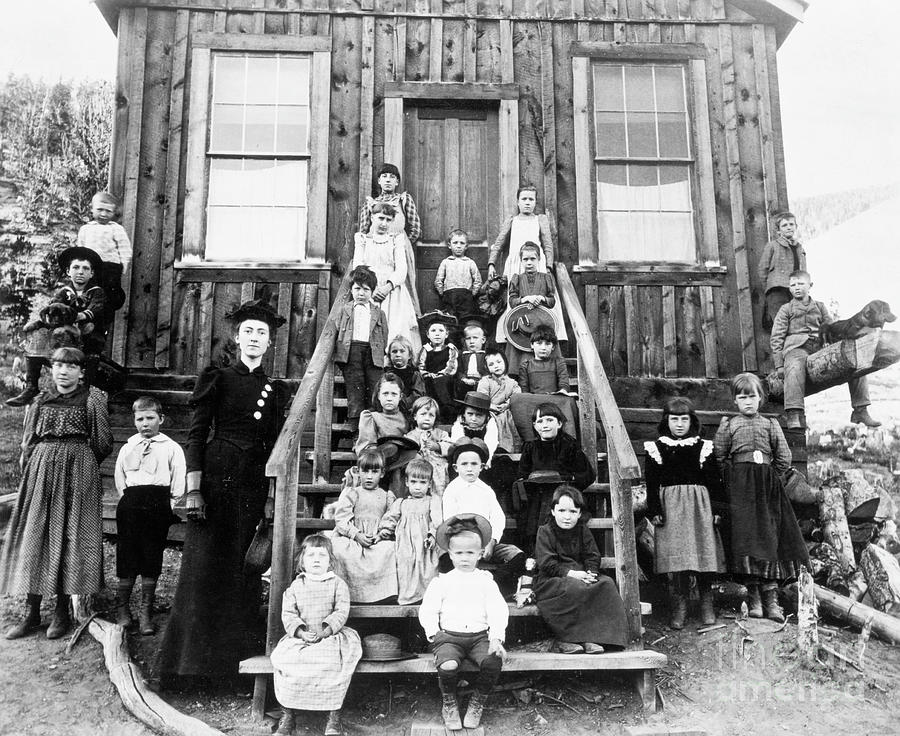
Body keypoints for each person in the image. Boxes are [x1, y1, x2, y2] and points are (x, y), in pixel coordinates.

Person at [154, 300, 289, 688]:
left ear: (269, 343)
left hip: (250, 487)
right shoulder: (218, 377)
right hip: (215, 482)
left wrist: (268, 496)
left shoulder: (273, 389)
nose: (254, 338)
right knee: (203, 570)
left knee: (240, 571)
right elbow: (197, 434)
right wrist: (193, 490)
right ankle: (186, 672)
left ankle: (234, 672)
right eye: (248, 331)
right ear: (237, 336)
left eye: (261, 333)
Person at [1, 347, 113, 640]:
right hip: (40, 470)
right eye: (58, 365)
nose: (64, 371)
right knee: (36, 534)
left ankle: (62, 611)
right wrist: (35, 467)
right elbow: (28, 441)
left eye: (71, 366)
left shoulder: (93, 399)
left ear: (81, 371)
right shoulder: (39, 400)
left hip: (77, 471)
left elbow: (102, 442)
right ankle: (32, 612)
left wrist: (81, 464)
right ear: (50, 369)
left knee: (69, 536)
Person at [713, 373, 809, 622]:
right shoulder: (729, 425)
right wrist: (734, 480)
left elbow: (784, 456)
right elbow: (720, 457)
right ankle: (753, 597)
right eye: (742, 397)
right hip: (741, 490)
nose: (747, 402)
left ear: (761, 399)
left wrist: (771, 478)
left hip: (766, 488)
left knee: (768, 537)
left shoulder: (770, 424)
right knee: (747, 538)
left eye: (752, 396)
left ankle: (772, 600)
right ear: (735, 400)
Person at [418, 513, 508, 730]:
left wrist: (496, 637)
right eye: (459, 553)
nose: (464, 558)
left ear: (480, 554)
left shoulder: (485, 581)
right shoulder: (443, 581)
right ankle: (449, 700)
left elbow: (498, 610)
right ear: (450, 554)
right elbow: (428, 610)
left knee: (493, 660)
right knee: (448, 665)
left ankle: (478, 701)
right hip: (450, 637)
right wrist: (434, 634)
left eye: (470, 553)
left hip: (479, 637)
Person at [643, 397, 725, 629]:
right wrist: (655, 510)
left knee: (702, 553)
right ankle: (680, 605)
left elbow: (715, 482)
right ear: (666, 421)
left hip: (699, 508)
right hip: (671, 510)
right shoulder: (656, 448)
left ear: (692, 421)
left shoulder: (703, 447)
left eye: (684, 419)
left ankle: (706, 603)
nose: (679, 424)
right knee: (676, 557)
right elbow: (651, 483)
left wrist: (717, 510)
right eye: (674, 419)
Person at [270, 533, 362, 736]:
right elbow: (289, 613)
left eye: (322, 555)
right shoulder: (296, 585)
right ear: (302, 561)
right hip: (302, 638)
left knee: (332, 663)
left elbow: (341, 610)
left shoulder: (337, 584)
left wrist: (328, 629)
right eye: (311, 555)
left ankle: (333, 717)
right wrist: (301, 632)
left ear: (330, 561)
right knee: (287, 661)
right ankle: (288, 715)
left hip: (330, 636)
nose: (317, 560)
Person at [113, 396, 186, 635]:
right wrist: (128, 500)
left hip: (158, 505)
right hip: (131, 505)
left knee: (151, 554)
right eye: (140, 419)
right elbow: (120, 477)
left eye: (150, 418)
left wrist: (170, 504)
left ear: (161, 419)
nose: (145, 423)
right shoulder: (128, 447)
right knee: (127, 552)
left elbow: (178, 477)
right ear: (134, 420)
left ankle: (146, 613)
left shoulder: (171, 448)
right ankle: (123, 609)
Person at [770, 270, 878, 429]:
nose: (797, 288)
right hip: (797, 347)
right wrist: (779, 364)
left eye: (801, 284)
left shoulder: (819, 306)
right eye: (793, 285)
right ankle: (794, 413)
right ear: (789, 288)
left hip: (819, 345)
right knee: (794, 365)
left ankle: (860, 409)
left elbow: (831, 327)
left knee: (854, 359)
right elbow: (776, 337)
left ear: (810, 286)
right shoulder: (785, 309)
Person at [7, 246, 109, 407]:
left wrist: (78, 315)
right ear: (68, 271)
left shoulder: (96, 292)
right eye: (75, 267)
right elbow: (53, 307)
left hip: (89, 335)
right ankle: (31, 386)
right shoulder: (64, 291)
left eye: (85, 268)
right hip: (64, 336)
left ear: (92, 273)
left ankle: (82, 392)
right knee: (38, 338)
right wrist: (41, 321)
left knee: (85, 337)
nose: (80, 272)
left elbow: (95, 309)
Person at [533, 486, 628, 653]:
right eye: (561, 510)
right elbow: (547, 563)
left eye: (572, 511)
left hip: (582, 574)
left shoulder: (582, 530)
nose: (567, 516)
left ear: (579, 513)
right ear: (553, 511)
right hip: (552, 579)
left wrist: (591, 573)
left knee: (606, 584)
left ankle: (594, 639)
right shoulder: (545, 531)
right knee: (574, 588)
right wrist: (572, 574)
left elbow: (592, 555)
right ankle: (567, 640)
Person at [441, 439, 526, 595]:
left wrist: (492, 542)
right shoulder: (452, 491)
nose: (469, 469)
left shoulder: (486, 490)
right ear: (456, 467)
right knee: (447, 560)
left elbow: (497, 518)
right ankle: (466, 589)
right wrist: (471, 544)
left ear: (482, 467)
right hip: (463, 544)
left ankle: (493, 584)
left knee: (517, 556)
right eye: (464, 464)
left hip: (486, 543)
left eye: (474, 464)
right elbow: (450, 521)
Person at [488, 185, 567, 348]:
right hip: (516, 264)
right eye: (524, 199)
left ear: (535, 202)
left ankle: (544, 332)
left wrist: (548, 267)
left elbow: (548, 244)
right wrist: (491, 263)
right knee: (515, 296)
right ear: (518, 202)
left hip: (537, 263)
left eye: (531, 199)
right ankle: (513, 334)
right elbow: (499, 243)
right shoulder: (512, 220)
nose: (527, 202)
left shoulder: (540, 219)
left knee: (540, 297)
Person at [516, 402, 595, 548]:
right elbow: (522, 474)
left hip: (564, 494)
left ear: (559, 423)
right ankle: (535, 552)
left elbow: (587, 475)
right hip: (538, 496)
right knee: (530, 514)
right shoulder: (530, 447)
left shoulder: (570, 445)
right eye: (540, 421)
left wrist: (566, 480)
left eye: (549, 420)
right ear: (535, 426)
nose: (545, 425)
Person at [330, 447, 399, 603]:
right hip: (353, 538)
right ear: (358, 471)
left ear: (382, 473)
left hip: (376, 540)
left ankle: (383, 596)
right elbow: (341, 519)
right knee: (339, 548)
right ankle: (346, 594)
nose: (369, 476)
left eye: (374, 472)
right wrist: (356, 534)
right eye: (365, 471)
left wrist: (380, 535)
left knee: (390, 550)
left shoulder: (386, 496)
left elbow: (390, 519)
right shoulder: (352, 493)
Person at [353, 200, 421, 354]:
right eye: (380, 218)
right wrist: (373, 288)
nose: (384, 223)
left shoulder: (396, 240)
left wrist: (387, 287)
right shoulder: (363, 239)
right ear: (372, 218)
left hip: (392, 292)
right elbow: (358, 266)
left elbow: (401, 270)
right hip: (369, 290)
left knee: (395, 329)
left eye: (388, 220)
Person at [359, 163, 423, 314]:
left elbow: (415, 227)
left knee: (402, 285)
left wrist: (403, 242)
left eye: (392, 177)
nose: (388, 180)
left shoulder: (403, 200)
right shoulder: (370, 203)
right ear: (379, 181)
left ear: (397, 182)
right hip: (375, 250)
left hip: (400, 248)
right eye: (384, 176)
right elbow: (363, 230)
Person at [331, 265, 389, 432]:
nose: (361, 293)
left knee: (374, 389)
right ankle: (356, 430)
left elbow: (384, 334)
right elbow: (337, 329)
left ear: (372, 291)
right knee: (355, 390)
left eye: (366, 289)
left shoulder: (378, 313)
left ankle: (374, 429)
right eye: (357, 289)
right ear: (351, 289)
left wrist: (380, 353)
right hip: (352, 352)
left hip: (373, 353)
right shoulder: (345, 310)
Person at [379, 458, 443, 604]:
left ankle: (426, 597)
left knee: (427, 567)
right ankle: (407, 597)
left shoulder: (432, 501)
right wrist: (384, 530)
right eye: (414, 482)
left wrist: (433, 534)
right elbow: (390, 518)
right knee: (404, 563)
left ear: (429, 484)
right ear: (407, 482)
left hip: (424, 543)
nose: (418, 487)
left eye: (423, 482)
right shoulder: (401, 503)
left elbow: (437, 520)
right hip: (405, 544)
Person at [504, 242, 562, 376]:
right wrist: (524, 299)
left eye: (532, 259)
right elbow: (512, 301)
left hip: (542, 322)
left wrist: (541, 298)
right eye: (525, 259)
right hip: (523, 324)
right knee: (521, 352)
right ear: (521, 260)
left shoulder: (546, 278)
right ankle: (521, 379)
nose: (529, 262)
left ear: (539, 259)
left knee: (542, 345)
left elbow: (552, 301)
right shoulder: (517, 279)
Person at [77, 190, 132, 310]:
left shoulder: (116, 229)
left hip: (110, 267)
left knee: (109, 294)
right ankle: (89, 316)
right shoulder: (86, 229)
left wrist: (124, 265)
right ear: (92, 209)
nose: (103, 214)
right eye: (100, 209)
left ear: (113, 213)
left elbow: (124, 248)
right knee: (90, 292)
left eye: (108, 211)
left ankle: (106, 317)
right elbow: (80, 249)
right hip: (91, 267)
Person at [757, 211, 805, 329]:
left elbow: (803, 271)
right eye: (784, 225)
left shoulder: (799, 248)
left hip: (794, 291)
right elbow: (762, 269)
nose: (788, 227)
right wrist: (770, 288)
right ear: (778, 231)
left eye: (791, 224)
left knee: (797, 324)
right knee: (781, 324)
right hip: (777, 291)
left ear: (796, 227)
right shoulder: (773, 246)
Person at [416, 310, 459, 422]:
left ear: (446, 334)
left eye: (441, 330)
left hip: (446, 379)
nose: (437, 333)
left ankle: (447, 414)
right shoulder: (426, 349)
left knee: (443, 385)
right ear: (428, 335)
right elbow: (421, 365)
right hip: (429, 378)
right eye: (433, 331)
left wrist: (441, 374)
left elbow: (451, 364)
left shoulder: (450, 349)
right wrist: (427, 374)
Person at [405, 396, 452, 496]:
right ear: (415, 416)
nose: (427, 418)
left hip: (438, 471)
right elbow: (406, 452)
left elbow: (451, 447)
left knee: (439, 492)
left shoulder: (440, 434)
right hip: (419, 472)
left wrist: (438, 446)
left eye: (431, 415)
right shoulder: (410, 436)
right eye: (423, 414)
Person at [477, 348, 521, 453]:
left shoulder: (512, 383)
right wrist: (490, 405)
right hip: (490, 410)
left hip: (507, 409)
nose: (496, 366)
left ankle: (511, 448)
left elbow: (517, 396)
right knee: (493, 420)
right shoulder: (485, 381)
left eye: (499, 362)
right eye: (491, 364)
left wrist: (507, 404)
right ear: (486, 367)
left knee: (510, 418)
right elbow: (481, 397)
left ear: (505, 362)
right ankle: (496, 447)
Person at [354, 372, 410, 454]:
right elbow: (367, 447)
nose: (389, 398)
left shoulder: (406, 417)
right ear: (379, 396)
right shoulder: (371, 417)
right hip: (377, 459)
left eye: (394, 394)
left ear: (400, 397)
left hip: (402, 457)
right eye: (385, 394)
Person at [434, 229, 482, 323]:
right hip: (449, 296)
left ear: (466, 246)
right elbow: (438, 281)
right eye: (455, 243)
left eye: (462, 243)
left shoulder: (470, 262)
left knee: (465, 320)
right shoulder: (446, 262)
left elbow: (478, 280)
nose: (458, 246)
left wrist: (471, 294)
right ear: (449, 245)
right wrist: (443, 294)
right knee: (450, 319)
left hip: (466, 297)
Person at [449, 391, 500, 467]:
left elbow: (491, 444)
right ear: (464, 414)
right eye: (470, 414)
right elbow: (457, 444)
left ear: (486, 416)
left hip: (485, 459)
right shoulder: (458, 425)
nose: (473, 419)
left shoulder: (490, 425)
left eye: (479, 415)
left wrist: (487, 461)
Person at [384, 335, 426, 416]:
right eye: (394, 351)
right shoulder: (386, 374)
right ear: (389, 355)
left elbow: (418, 394)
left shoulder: (414, 374)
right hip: (390, 410)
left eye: (402, 351)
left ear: (409, 355)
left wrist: (403, 403)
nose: (398, 354)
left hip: (409, 410)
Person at [455, 321, 488, 399]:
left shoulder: (486, 356)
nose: (472, 341)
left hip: (482, 382)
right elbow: (459, 370)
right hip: (466, 381)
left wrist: (482, 380)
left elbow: (488, 371)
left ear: (483, 340)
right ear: (464, 341)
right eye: (468, 338)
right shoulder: (462, 356)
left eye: (475, 338)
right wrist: (464, 379)